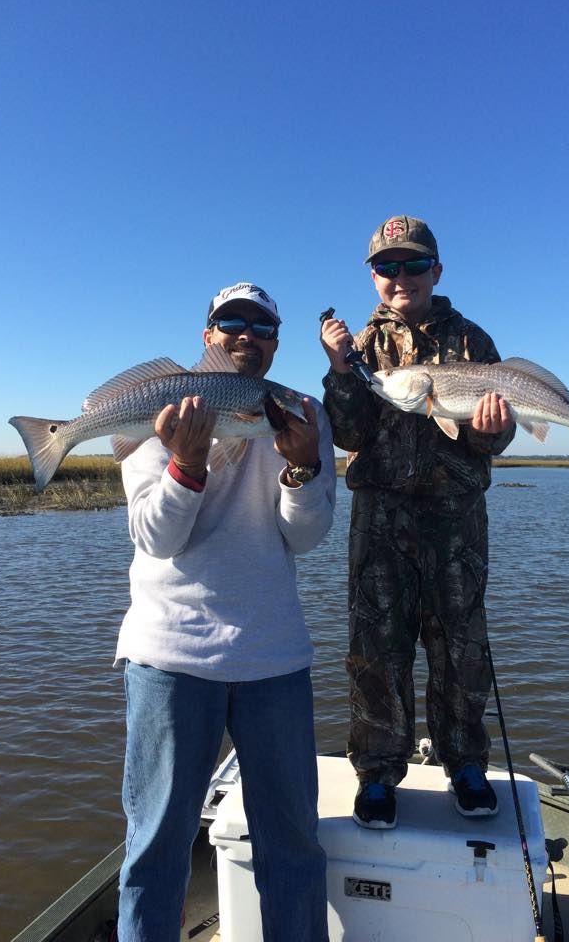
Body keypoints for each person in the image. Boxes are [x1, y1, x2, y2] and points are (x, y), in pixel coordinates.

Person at [115, 282, 336, 942]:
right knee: (156, 847)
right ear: (208, 334)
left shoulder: (304, 412)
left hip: (274, 658)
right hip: (170, 656)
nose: (247, 333)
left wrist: (300, 469)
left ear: (275, 342)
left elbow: (307, 536)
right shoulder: (166, 405)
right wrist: (187, 462)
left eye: (262, 325)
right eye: (231, 321)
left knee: (293, 844)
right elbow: (156, 538)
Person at [320, 216, 515, 829]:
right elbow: (348, 434)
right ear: (373, 276)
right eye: (387, 267)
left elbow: (495, 439)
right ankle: (378, 773)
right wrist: (338, 369)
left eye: (412, 264)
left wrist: (496, 431)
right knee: (376, 649)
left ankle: (465, 764)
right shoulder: (360, 349)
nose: (399, 277)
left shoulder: (474, 342)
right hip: (378, 518)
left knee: (461, 646)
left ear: (436, 270)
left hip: (457, 519)